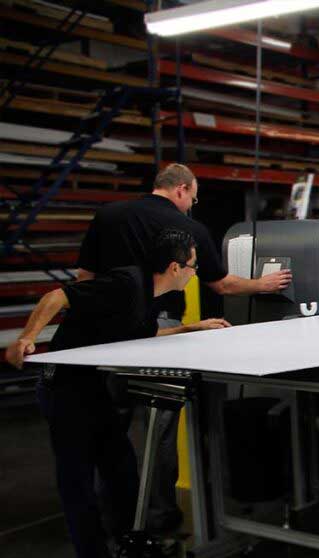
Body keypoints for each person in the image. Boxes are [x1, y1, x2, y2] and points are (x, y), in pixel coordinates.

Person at [4, 229, 229, 558]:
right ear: (174, 267)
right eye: (193, 265)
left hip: (94, 388)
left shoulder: (156, 295)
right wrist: (26, 338)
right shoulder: (126, 283)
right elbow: (56, 296)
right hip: (62, 388)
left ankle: (130, 542)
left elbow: (141, 333)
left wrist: (193, 328)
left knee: (122, 468)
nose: (195, 271)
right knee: (77, 480)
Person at [75, 163, 291, 536]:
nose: (193, 203)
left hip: (103, 335)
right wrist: (264, 284)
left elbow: (84, 280)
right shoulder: (189, 229)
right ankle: (158, 520)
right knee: (159, 430)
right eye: (192, 196)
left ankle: (111, 519)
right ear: (180, 190)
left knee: (109, 430)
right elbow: (222, 285)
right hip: (159, 334)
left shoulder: (107, 216)